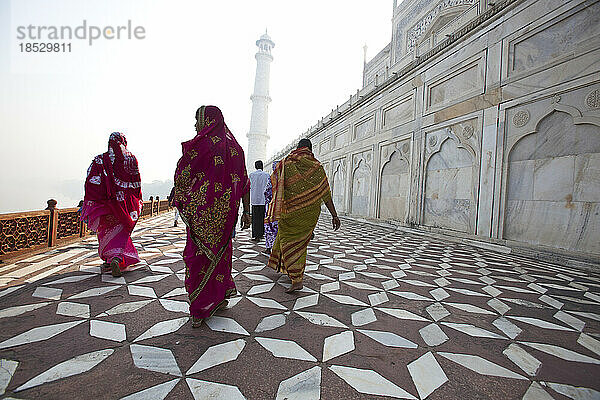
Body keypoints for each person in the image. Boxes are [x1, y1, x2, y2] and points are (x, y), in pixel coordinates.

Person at [173, 105, 251, 328]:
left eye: (197, 120)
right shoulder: (235, 148)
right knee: (221, 255)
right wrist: (246, 211)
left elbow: (182, 174)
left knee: (198, 257)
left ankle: (199, 308)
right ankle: (217, 297)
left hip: (201, 215)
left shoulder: (200, 144)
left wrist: (184, 198)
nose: (195, 125)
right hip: (225, 217)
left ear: (207, 121)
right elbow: (244, 182)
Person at [267, 138, 340, 293]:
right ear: (311, 149)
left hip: (290, 211)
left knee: (287, 241)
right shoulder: (317, 167)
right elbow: (325, 194)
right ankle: (291, 270)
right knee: (300, 243)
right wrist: (334, 215)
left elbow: (275, 180)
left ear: (298, 148)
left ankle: (297, 279)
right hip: (310, 213)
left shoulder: (287, 163)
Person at [81, 132, 143, 277]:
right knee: (121, 232)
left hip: (106, 206)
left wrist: (96, 200)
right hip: (126, 206)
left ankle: (110, 259)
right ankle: (116, 257)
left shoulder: (99, 160)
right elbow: (136, 182)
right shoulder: (131, 159)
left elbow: (91, 181)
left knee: (106, 232)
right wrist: (136, 200)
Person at [249, 160, 270, 242]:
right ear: (262, 166)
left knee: (255, 218)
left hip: (254, 199)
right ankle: (261, 234)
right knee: (262, 217)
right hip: (263, 199)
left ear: (255, 166)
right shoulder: (267, 175)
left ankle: (255, 235)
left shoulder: (251, 175)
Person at [263, 160, 280, 255]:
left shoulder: (272, 178)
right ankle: (276, 249)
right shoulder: (283, 179)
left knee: (269, 227)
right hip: (280, 209)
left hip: (270, 207)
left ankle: (269, 247)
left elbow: (267, 192)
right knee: (277, 228)